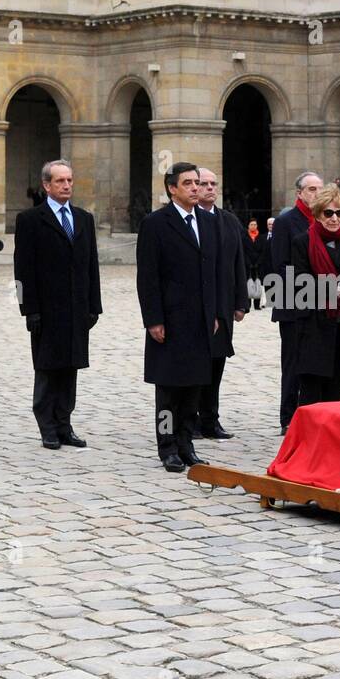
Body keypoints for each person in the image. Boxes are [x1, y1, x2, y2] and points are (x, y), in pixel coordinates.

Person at [136, 162, 223, 472]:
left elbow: (211, 273)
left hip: (200, 320)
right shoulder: (156, 223)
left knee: (194, 386)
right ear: (172, 188)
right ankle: (167, 447)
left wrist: (213, 313)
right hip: (170, 320)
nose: (195, 188)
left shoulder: (208, 222)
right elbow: (148, 277)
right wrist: (153, 319)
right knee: (169, 390)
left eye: (197, 182)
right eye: (188, 183)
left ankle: (187, 444)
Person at [12, 160, 102, 449]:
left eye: (70, 180)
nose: (66, 185)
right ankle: (47, 426)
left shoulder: (83, 218)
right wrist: (29, 309)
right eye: (60, 181)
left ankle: (65, 424)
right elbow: (22, 270)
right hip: (47, 310)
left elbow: (92, 265)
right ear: (46, 185)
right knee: (48, 368)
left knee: (71, 367)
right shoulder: (30, 219)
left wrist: (94, 305)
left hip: (77, 308)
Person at [289, 185, 340, 405]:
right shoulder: (302, 242)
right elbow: (299, 280)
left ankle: (332, 438)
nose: (334, 218)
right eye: (328, 213)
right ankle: (309, 437)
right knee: (311, 390)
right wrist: (334, 289)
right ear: (318, 214)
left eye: (339, 213)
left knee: (336, 389)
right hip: (314, 324)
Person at [194, 169, 248, 440]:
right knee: (196, 365)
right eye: (203, 184)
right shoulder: (191, 221)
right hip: (198, 306)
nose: (209, 188)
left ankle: (210, 419)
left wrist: (241, 302)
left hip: (225, 304)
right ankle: (190, 418)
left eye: (213, 184)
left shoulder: (228, 221)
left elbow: (239, 263)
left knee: (217, 364)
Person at [270, 170, 325, 433]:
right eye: (311, 189)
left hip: (323, 307)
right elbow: (279, 266)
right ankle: (288, 417)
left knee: (317, 363)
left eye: (319, 188)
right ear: (299, 193)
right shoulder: (286, 222)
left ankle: (314, 413)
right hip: (294, 306)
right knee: (293, 364)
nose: (316, 193)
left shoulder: (327, 219)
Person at [243, 218, 267, 310]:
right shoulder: (244, 237)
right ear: (248, 226)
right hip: (247, 264)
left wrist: (258, 262)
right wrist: (248, 262)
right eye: (251, 224)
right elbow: (243, 251)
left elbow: (263, 252)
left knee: (257, 283)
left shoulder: (260, 238)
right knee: (247, 284)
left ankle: (257, 304)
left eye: (255, 224)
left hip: (258, 265)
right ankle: (247, 304)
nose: (253, 226)